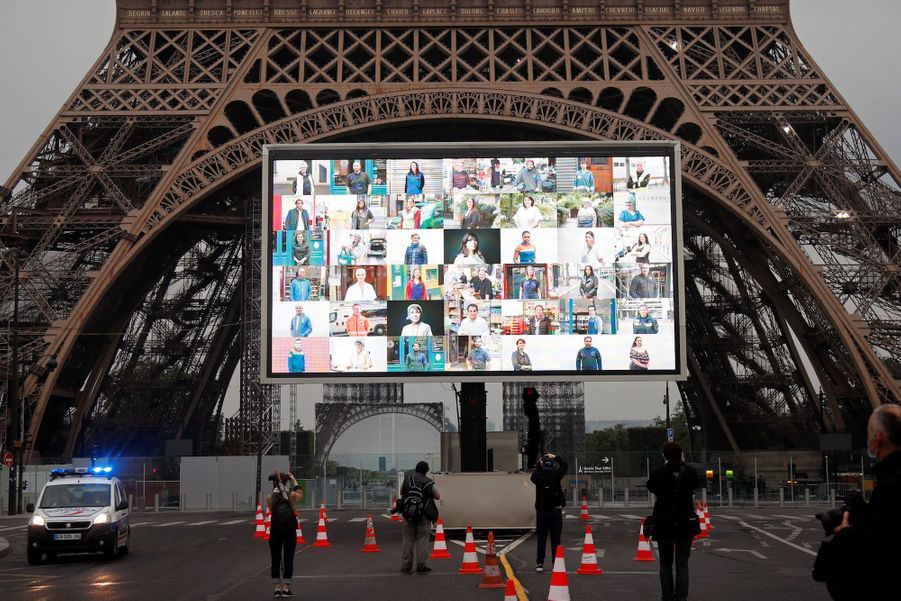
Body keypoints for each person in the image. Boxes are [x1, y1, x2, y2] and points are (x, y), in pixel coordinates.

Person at [817, 405, 901, 599]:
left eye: (869, 434)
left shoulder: (890, 486)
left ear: (877, 438)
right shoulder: (889, 481)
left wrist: (845, 533)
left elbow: (873, 556)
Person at [646, 443, 700, 601]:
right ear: (681, 454)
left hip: (664, 522)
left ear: (665, 456)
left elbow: (651, 486)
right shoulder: (690, 472)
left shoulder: (659, 473)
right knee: (682, 565)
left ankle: (667, 596)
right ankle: (681, 597)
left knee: (665, 564)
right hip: (684, 522)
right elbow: (695, 485)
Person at [267, 468, 303, 597]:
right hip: (289, 530)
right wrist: (294, 481)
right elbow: (300, 492)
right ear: (287, 482)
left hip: (275, 530)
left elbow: (272, 508)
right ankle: (286, 588)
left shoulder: (270, 497)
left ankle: (276, 589)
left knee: (275, 559)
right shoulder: (292, 496)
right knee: (289, 558)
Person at [399, 461, 440, 573]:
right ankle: (421, 565)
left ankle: (406, 565)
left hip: (409, 514)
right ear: (426, 470)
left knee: (408, 539)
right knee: (422, 539)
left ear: (416, 469)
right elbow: (437, 496)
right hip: (424, 515)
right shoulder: (429, 482)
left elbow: (402, 492)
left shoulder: (408, 479)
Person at [530, 452, 568, 573]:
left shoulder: (538, 477)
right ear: (552, 465)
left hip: (542, 512)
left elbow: (533, 475)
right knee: (555, 539)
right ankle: (555, 563)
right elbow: (565, 465)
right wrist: (556, 457)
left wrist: (539, 465)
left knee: (542, 538)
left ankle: (540, 563)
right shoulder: (556, 475)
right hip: (555, 511)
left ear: (541, 465)